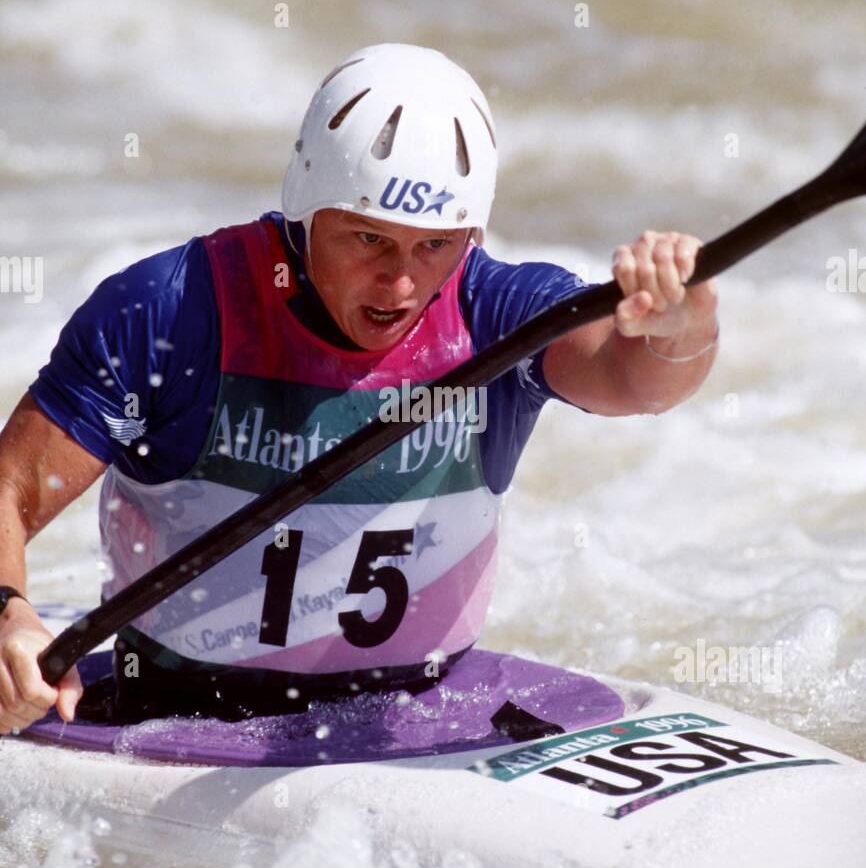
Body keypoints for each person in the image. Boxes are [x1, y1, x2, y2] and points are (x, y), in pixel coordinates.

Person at [0, 43, 719, 733]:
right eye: (369, 238)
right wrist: (8, 615)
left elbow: (633, 379)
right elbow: (11, 490)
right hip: (178, 714)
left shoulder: (498, 314)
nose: (400, 283)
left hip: (420, 712)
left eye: (433, 245)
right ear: (307, 208)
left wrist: (681, 325)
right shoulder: (170, 312)